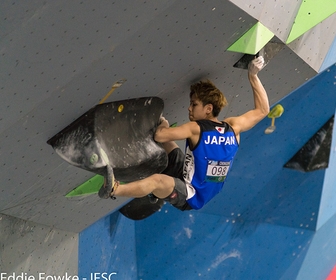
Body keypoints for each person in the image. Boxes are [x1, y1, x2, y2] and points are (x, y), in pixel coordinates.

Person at [99, 56, 270, 211]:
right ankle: (158, 192)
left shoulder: (196, 128)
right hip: (191, 175)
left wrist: (163, 125)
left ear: (208, 109)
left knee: (157, 179)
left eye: (194, 104)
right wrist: (253, 76)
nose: (189, 108)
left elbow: (160, 136)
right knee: (171, 147)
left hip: (191, 196)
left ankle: (114, 189)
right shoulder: (233, 127)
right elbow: (263, 110)